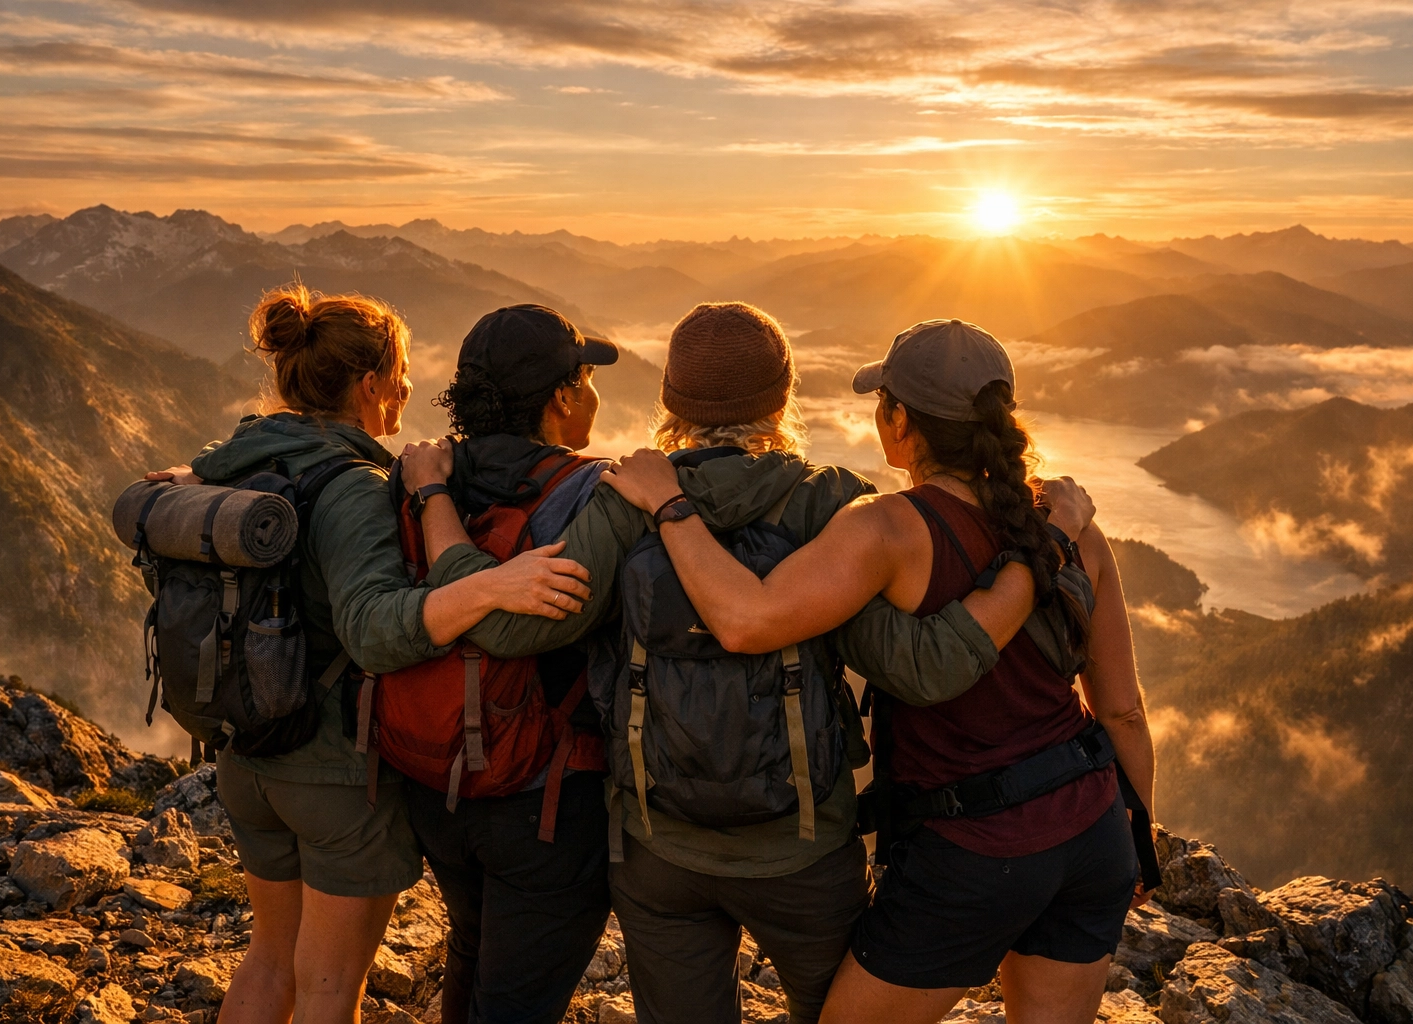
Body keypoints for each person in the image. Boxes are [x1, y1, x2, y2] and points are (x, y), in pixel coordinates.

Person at [398, 303, 1096, 1024]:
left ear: (670, 403)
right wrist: (1038, 556)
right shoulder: (830, 504)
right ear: (784, 397)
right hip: (802, 849)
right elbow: (920, 668)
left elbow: (511, 632)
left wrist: (439, 510)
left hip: (657, 846)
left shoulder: (627, 499)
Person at [601, 317, 1153, 1024]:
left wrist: (672, 506)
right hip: (1091, 828)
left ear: (899, 422)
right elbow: (1123, 711)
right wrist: (1136, 834)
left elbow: (745, 619)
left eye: (881, 404)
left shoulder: (885, 528)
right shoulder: (1069, 522)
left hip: (974, 850)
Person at [146, 285, 593, 1024]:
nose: (410, 388)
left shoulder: (237, 458)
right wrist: (493, 588)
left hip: (245, 755)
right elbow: (375, 630)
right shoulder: (353, 487)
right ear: (370, 385)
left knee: (267, 962)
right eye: (403, 372)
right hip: (328, 771)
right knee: (327, 984)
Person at [386, 304, 622, 1024]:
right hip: (542, 797)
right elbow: (512, 629)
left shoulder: (423, 475)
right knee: (519, 1000)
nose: (590, 395)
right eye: (585, 379)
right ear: (560, 396)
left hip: (432, 777)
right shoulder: (591, 492)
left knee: (474, 944)